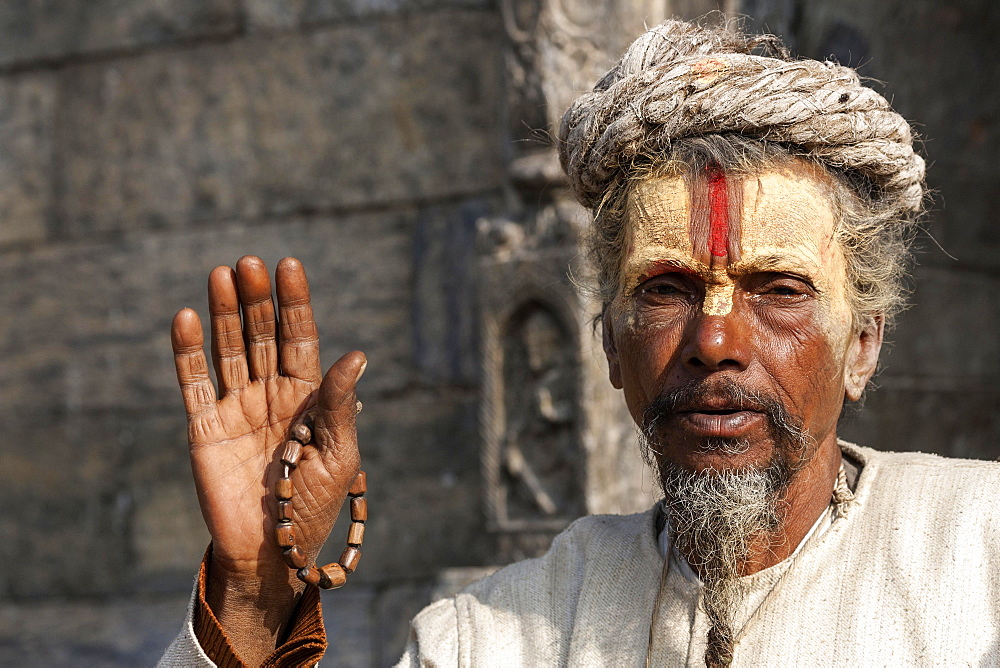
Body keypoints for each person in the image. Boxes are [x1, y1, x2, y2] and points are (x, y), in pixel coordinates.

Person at [160, 19, 1000, 668]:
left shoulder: (978, 557)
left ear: (862, 347)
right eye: (663, 289)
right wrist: (250, 594)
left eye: (778, 291)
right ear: (605, 344)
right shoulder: (489, 641)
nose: (714, 338)